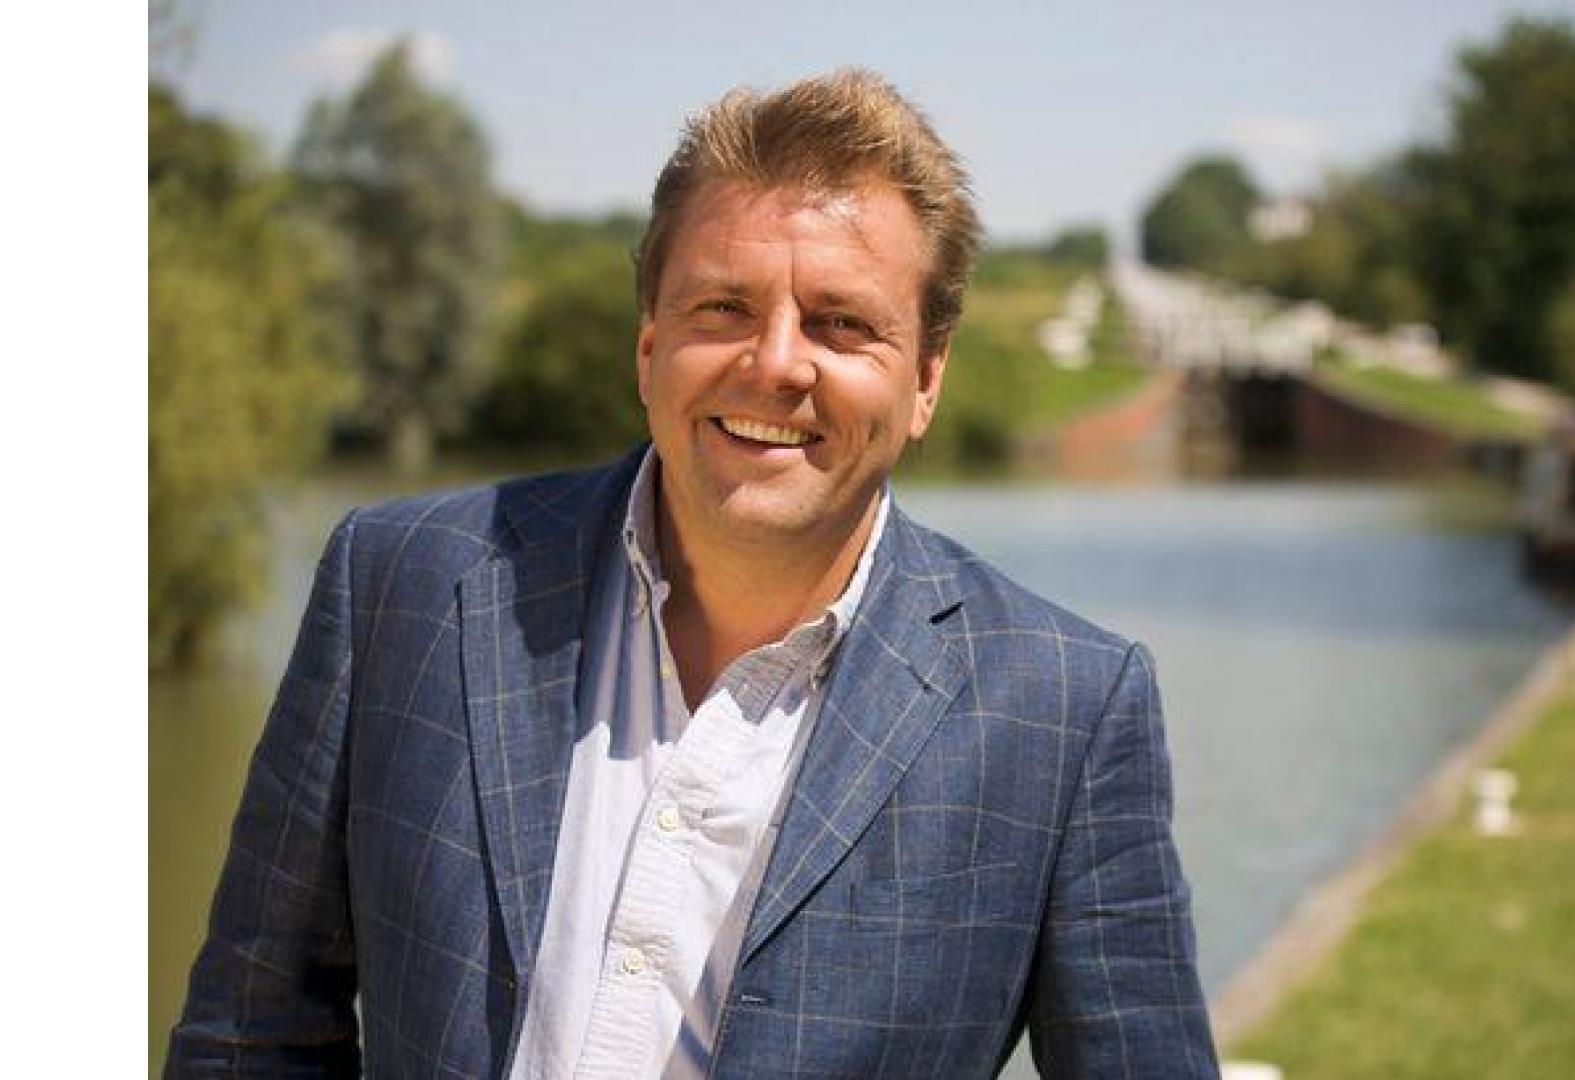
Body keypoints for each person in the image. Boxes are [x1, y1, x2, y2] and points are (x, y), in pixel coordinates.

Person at [167, 69, 1219, 1080]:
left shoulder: (1065, 713)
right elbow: (250, 1036)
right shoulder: (401, 587)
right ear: (648, 343)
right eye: (723, 307)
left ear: (926, 381)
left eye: (842, 323)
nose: (775, 362)